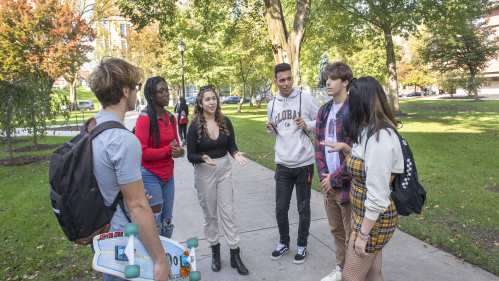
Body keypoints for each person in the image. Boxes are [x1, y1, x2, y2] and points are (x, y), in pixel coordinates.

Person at [87, 57, 172, 281]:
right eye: (136, 87)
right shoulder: (123, 140)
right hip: (126, 243)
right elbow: (137, 208)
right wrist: (161, 259)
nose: (137, 93)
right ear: (125, 91)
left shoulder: (91, 126)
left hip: (103, 239)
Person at [340, 76, 404, 281]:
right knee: (372, 272)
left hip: (373, 221)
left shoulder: (380, 139)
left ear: (360, 103)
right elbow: (366, 164)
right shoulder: (369, 131)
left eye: (351, 100)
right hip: (364, 215)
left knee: (349, 277)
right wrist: (346, 149)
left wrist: (363, 235)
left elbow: (379, 195)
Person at [186, 85, 250, 276]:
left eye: (214, 98)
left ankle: (235, 254)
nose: (212, 102)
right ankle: (215, 251)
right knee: (210, 215)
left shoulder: (225, 122)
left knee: (228, 213)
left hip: (224, 169)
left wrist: (236, 154)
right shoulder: (194, 127)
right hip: (205, 170)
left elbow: (231, 144)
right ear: (200, 103)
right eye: (207, 99)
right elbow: (190, 155)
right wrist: (202, 158)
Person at [265, 63, 319, 264]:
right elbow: (275, 133)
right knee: (280, 208)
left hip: (304, 163)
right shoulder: (272, 105)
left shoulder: (306, 99)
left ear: (292, 78)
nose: (286, 83)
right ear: (276, 82)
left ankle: (302, 245)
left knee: (303, 207)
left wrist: (308, 125)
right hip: (282, 164)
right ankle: (284, 242)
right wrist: (270, 128)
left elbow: (321, 121)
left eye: (289, 78)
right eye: (282, 80)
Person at [314, 62, 354, 281]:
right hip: (328, 182)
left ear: (345, 82)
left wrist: (335, 177)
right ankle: (341, 269)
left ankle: (353, 273)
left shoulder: (353, 111)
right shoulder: (324, 109)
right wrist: (324, 176)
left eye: (333, 78)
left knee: (352, 234)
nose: (327, 82)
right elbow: (319, 145)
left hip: (346, 184)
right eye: (326, 78)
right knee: (336, 231)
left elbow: (356, 153)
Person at [134, 76, 185, 239]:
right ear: (151, 95)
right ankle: (157, 258)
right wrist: (168, 149)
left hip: (168, 176)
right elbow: (142, 153)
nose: (166, 94)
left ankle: (167, 254)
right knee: (155, 221)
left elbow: (176, 145)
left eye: (166, 90)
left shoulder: (170, 118)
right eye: (160, 91)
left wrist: (180, 152)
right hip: (150, 176)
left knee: (167, 220)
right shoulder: (144, 119)